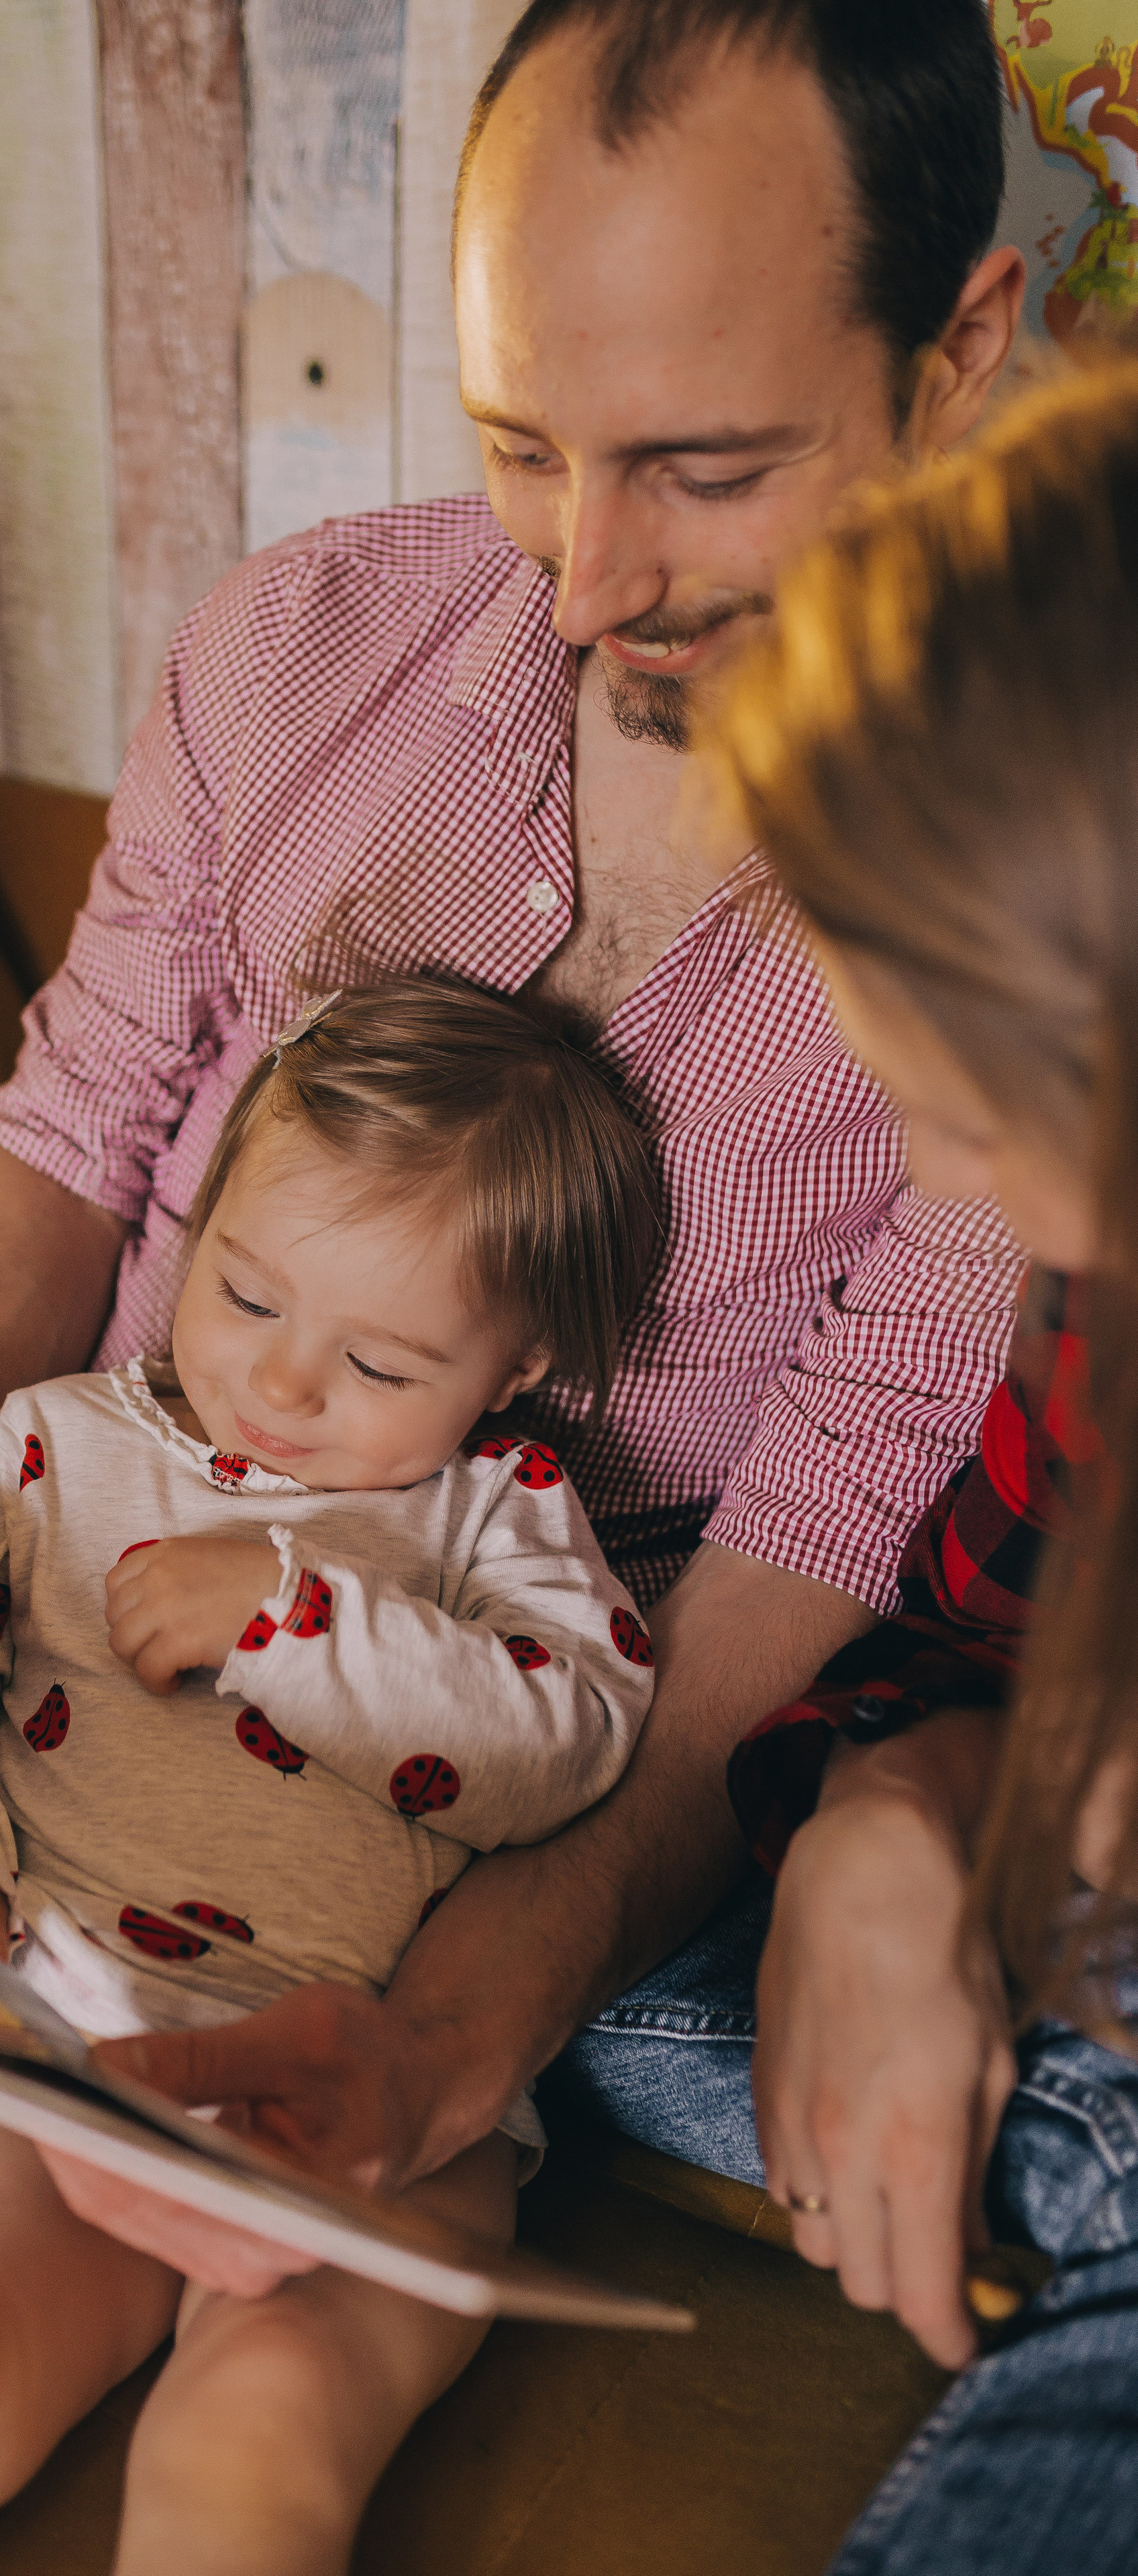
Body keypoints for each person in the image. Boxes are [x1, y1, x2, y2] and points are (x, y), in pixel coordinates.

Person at [0, 0, 1024, 2469]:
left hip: (570, 1784)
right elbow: (67, 1126)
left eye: (701, 469)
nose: (589, 580)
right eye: (522, 451)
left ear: (959, 358)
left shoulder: (1012, 908)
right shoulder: (297, 655)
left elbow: (777, 1586)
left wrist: (469, 2028)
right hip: (54, 1650)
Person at [0, 979, 658, 2576]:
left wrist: (286, 1615)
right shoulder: (56, 1446)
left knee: (259, 2424)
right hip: (91, 2041)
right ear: (201, 1219)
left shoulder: (495, 1516)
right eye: (243, 1293)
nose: (282, 1385)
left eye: (380, 1367)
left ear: (514, 1363)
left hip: (383, 2093)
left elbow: (558, 1748)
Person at [678, 353, 1138, 2567]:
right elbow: (958, 1637)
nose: (931, 1169)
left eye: (958, 1103)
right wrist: (889, 1817)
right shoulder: (1094, 1307)